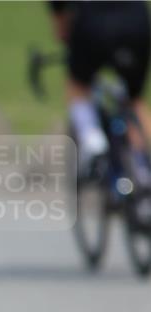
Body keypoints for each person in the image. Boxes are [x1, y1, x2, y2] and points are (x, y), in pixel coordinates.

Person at [47, 0, 151, 178]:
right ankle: (143, 170)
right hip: (136, 21)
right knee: (134, 101)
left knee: (78, 86)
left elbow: (59, 6)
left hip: (92, 22)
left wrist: (62, 28)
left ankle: (92, 140)